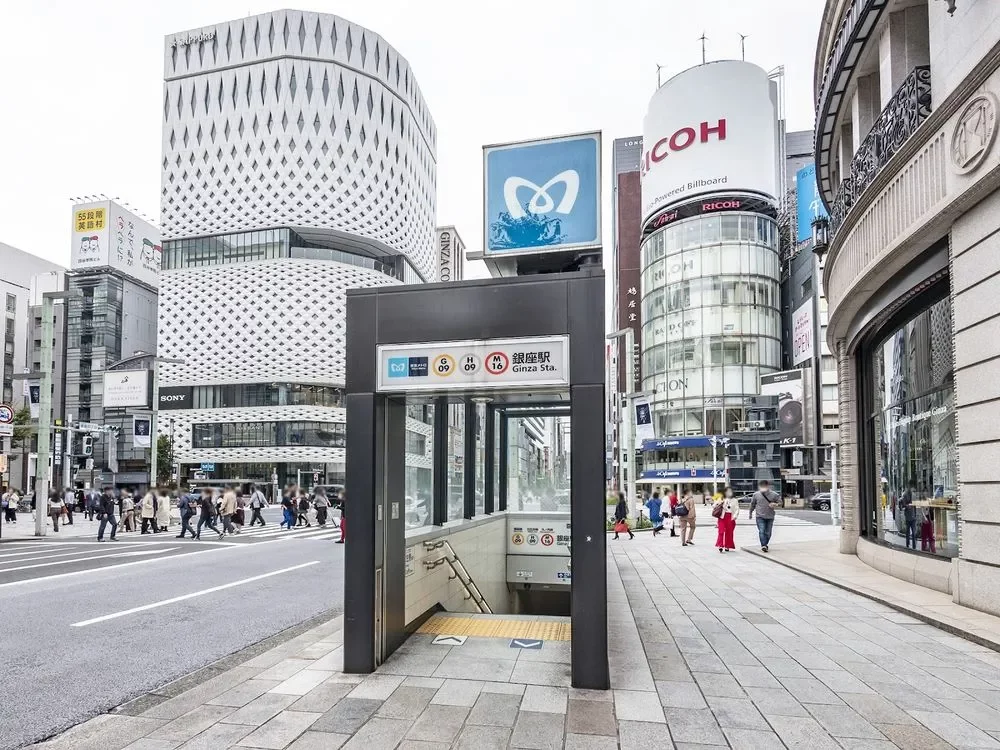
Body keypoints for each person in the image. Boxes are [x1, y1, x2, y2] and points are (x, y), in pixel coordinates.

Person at [747, 479, 780, 552]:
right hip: (759, 516)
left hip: (770, 516)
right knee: (761, 531)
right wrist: (750, 513)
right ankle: (763, 545)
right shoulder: (756, 495)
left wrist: (776, 504)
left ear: (768, 486)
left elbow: (781, 503)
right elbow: (752, 504)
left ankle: (765, 544)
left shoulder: (774, 495)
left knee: (768, 533)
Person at [714, 487, 739, 553]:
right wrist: (719, 503)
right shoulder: (721, 498)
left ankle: (727, 546)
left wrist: (735, 516)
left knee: (729, 532)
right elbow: (714, 506)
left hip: (730, 517)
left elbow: (737, 509)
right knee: (721, 531)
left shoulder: (735, 500)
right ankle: (720, 545)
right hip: (722, 517)